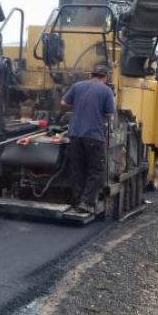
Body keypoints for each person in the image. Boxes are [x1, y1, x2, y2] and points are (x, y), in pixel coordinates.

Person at [60, 64, 115, 214]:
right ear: (105, 77)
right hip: (93, 136)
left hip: (75, 134)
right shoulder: (106, 91)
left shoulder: (78, 86)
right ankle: (87, 202)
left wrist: (78, 106)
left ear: (91, 74)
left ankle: (78, 199)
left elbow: (63, 102)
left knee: (77, 168)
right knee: (96, 170)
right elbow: (110, 114)